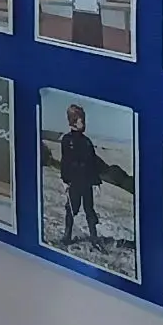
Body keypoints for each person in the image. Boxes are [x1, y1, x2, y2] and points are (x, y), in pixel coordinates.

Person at [60, 103, 104, 251]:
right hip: (74, 183)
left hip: (86, 183)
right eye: (81, 121)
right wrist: (65, 180)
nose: (84, 124)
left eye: (84, 120)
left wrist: (96, 183)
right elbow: (65, 162)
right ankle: (67, 236)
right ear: (73, 122)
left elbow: (92, 163)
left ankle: (94, 238)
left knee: (89, 210)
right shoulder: (66, 140)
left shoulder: (87, 142)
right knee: (71, 209)